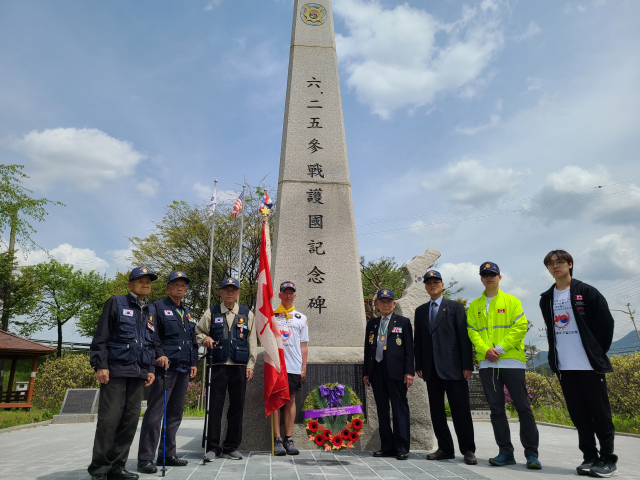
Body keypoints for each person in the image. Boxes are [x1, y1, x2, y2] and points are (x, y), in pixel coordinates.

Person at [539, 250, 617, 478]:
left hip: (589, 366)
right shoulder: (547, 298)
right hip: (565, 367)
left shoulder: (587, 292)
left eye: (560, 262)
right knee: (579, 415)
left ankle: (608, 460)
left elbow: (606, 326)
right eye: (551, 264)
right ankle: (589, 457)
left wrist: (595, 352)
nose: (556, 266)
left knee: (600, 414)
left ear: (570, 264)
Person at [466, 262, 541, 470]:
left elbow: (520, 327)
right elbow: (472, 331)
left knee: (523, 407)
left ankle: (532, 454)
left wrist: (498, 348)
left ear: (500, 277)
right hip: (487, 364)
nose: (489, 277)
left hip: (512, 362)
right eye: (485, 274)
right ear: (481, 278)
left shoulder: (512, 301)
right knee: (496, 409)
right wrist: (485, 350)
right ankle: (505, 452)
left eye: (493, 274)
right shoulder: (474, 306)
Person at [88, 266, 159, 480]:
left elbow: (152, 342)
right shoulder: (116, 302)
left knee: (129, 421)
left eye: (148, 281)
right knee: (109, 420)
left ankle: (118, 466)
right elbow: (101, 336)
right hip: (116, 371)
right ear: (130, 285)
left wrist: (151, 369)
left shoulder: (151, 310)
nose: (146, 284)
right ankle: (100, 468)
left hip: (139, 374)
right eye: (140, 281)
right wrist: (101, 365)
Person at [137, 271, 199, 473]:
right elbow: (152, 336)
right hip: (165, 369)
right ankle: (145, 458)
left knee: (175, 414)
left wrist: (194, 362)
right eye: (176, 285)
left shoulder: (187, 313)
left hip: (183, 369)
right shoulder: (157, 307)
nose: (180, 288)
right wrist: (159, 355)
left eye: (183, 285)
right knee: (155, 414)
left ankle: (168, 454)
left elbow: (193, 341)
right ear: (167, 288)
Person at [414, 270, 476, 465]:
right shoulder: (421, 311)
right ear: (425, 287)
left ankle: (468, 450)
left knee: (461, 410)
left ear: (442, 285)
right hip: (431, 369)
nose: (432, 285)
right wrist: (419, 363)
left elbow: (463, 338)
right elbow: (419, 341)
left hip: (454, 368)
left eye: (436, 282)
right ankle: (445, 449)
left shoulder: (455, 307)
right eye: (429, 283)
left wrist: (467, 364)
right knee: (437, 411)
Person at [196, 277, 257, 461]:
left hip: (239, 366)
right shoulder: (212, 312)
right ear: (221, 292)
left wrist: (251, 364)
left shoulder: (247, 313)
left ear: (238, 293)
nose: (230, 292)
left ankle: (231, 446)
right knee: (215, 406)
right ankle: (213, 448)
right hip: (218, 365)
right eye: (226, 289)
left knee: (237, 407)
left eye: (234, 290)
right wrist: (204, 339)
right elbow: (198, 331)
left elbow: (252, 341)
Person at [363, 289, 415, 460]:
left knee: (400, 408)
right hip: (377, 371)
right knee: (382, 409)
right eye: (382, 301)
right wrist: (366, 372)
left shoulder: (403, 322)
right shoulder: (372, 324)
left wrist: (409, 371)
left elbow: (409, 350)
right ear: (376, 305)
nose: (385, 304)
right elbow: (367, 349)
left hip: (397, 371)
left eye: (388, 301)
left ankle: (401, 447)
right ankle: (387, 446)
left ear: (394, 304)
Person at [272, 281, 309, 456]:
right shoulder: (272, 316)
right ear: (279, 295)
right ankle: (277, 439)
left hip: (293, 366)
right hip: (276, 366)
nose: (288, 295)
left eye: (291, 292)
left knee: (290, 400)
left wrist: (303, 367)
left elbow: (304, 345)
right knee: (276, 401)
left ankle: (288, 438)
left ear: (295, 296)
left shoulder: (301, 318)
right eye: (285, 292)